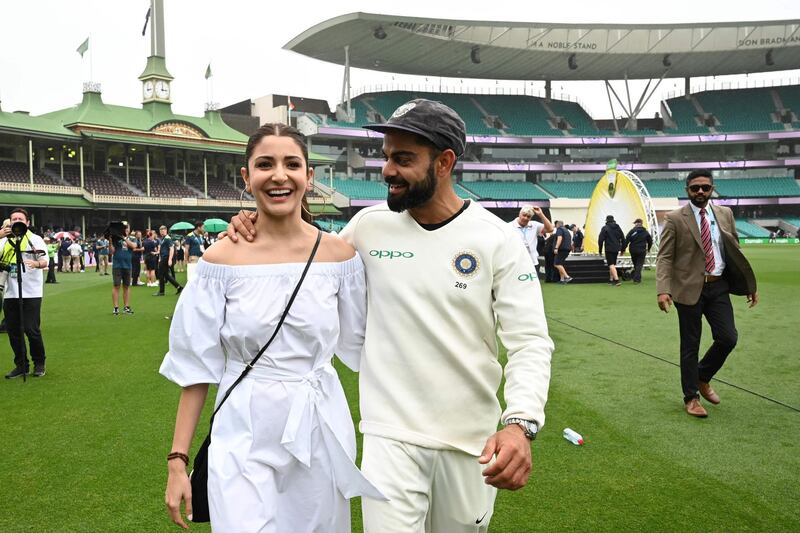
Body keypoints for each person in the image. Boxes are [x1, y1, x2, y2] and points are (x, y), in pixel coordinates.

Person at [229, 99, 553, 533]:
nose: (387, 170)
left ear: (444, 162)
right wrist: (255, 223)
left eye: (403, 159)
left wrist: (519, 425)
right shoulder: (367, 226)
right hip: (388, 435)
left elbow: (530, 341)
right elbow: (305, 260)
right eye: (386, 157)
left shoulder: (497, 240)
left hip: (469, 442)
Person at [162, 123, 382, 531]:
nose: (279, 175)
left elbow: (369, 347)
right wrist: (178, 460)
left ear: (308, 177)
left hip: (319, 423)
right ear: (247, 177)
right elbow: (195, 366)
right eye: (265, 164)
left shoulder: (340, 257)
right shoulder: (218, 261)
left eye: (291, 164)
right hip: (243, 426)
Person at [656, 170, 758, 418]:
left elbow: (734, 250)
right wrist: (663, 290)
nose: (700, 191)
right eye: (695, 188)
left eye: (705, 187)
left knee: (728, 337)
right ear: (687, 191)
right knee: (690, 345)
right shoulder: (675, 218)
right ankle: (691, 397)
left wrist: (749, 285)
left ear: (712, 188)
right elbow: (665, 256)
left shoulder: (725, 213)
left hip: (719, 285)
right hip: (688, 288)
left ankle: (702, 376)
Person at [1, 208, 49, 379]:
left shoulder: (35, 240)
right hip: (11, 293)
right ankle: (21, 365)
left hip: (32, 292)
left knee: (31, 329)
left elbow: (44, 260)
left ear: (27, 222)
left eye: (20, 218)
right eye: (14, 218)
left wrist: (36, 264)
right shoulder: (4, 241)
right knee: (13, 331)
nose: (17, 221)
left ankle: (39, 362)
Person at [508, 205, 553, 271]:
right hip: (516, 262)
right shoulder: (509, 226)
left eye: (528, 216)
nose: (526, 218)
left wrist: (541, 214)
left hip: (533, 262)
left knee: (533, 281)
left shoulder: (534, 225)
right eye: (524, 215)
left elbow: (550, 229)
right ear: (519, 214)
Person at [109, 223, 137, 315]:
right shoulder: (115, 239)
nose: (125, 229)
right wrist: (110, 241)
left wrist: (124, 238)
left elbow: (134, 246)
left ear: (129, 229)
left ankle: (126, 307)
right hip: (117, 265)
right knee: (116, 285)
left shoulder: (132, 238)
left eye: (127, 228)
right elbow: (111, 251)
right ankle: (116, 308)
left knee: (126, 286)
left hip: (128, 265)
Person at [154, 225, 183, 296]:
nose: (162, 231)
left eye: (163, 230)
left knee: (161, 274)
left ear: (166, 230)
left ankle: (161, 291)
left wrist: (170, 259)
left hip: (166, 258)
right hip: (164, 258)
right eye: (161, 230)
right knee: (166, 275)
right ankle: (179, 287)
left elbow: (171, 248)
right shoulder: (164, 238)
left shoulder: (167, 238)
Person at [598, 215, 625, 286]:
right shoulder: (618, 227)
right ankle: (611, 280)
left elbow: (600, 240)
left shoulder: (605, 228)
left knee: (610, 264)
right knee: (613, 264)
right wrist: (622, 249)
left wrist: (600, 250)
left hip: (609, 248)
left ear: (606, 220)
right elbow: (623, 238)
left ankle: (616, 280)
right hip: (616, 248)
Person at [623, 218, 653, 284]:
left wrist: (623, 249)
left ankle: (637, 279)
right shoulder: (645, 232)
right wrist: (649, 248)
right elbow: (650, 241)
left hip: (633, 250)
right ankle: (637, 279)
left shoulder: (632, 231)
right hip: (642, 250)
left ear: (636, 223)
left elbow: (627, 240)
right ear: (641, 224)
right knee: (639, 264)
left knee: (635, 264)